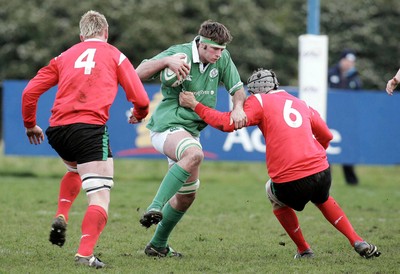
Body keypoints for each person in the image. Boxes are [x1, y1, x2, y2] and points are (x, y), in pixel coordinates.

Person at [179, 68, 381, 259]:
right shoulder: (300, 102)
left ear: (256, 91)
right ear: (275, 85)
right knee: (322, 198)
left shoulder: (258, 100)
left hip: (290, 179)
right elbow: (326, 135)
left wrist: (195, 105)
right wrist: (313, 155)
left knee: (273, 194)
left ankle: (304, 250)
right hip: (322, 171)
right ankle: (357, 240)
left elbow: (227, 123)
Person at [21, 10, 150, 268]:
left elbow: (29, 92)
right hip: (89, 129)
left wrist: (29, 125)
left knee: (75, 170)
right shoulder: (115, 55)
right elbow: (142, 99)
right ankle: (84, 254)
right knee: (100, 195)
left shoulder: (64, 56)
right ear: (106, 32)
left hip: (57, 131)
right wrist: (139, 114)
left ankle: (62, 213)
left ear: (82, 36)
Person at [135, 20, 247, 257]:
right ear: (201, 44)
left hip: (190, 131)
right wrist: (166, 62)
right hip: (167, 126)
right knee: (194, 154)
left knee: (187, 197)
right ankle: (155, 206)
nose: (219, 54)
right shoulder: (180, 53)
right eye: (215, 49)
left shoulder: (222, 59)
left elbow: (238, 89)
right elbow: (137, 73)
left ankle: (157, 245)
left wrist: (238, 107)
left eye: (222, 50)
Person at [328, 49, 362, 185]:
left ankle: (351, 180)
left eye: (352, 62)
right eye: (347, 61)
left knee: (347, 148)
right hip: (331, 117)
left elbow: (358, 98)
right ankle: (326, 178)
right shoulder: (330, 74)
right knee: (327, 148)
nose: (349, 64)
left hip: (347, 119)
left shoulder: (355, 77)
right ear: (341, 60)